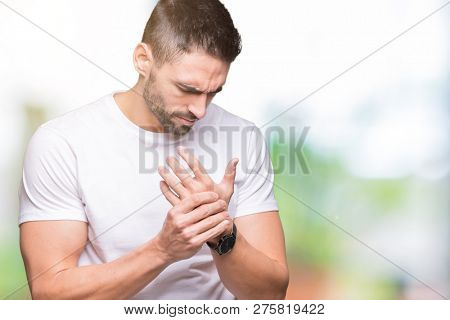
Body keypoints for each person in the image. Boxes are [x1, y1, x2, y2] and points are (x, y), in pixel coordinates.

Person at [19, 0, 289, 299]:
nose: (200, 110)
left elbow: (271, 295)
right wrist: (163, 249)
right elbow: (50, 295)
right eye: (188, 89)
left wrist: (221, 233)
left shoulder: (243, 137)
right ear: (143, 59)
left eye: (213, 92)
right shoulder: (61, 143)